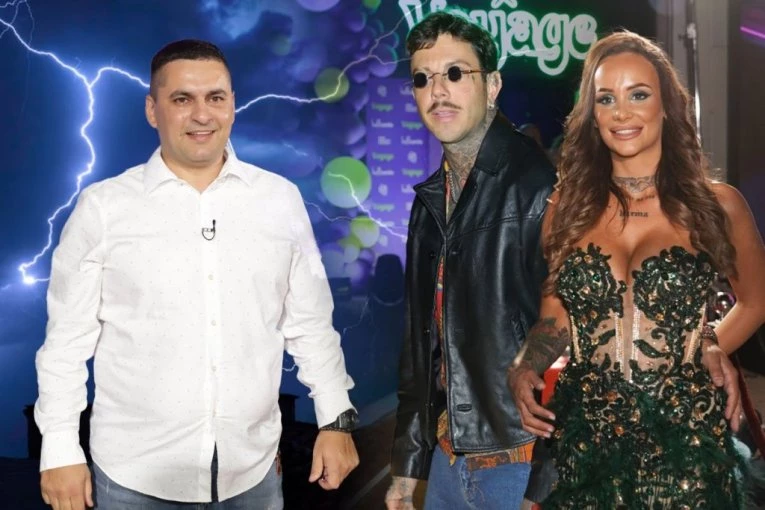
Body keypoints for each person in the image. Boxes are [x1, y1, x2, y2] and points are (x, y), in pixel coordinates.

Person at [34, 39, 359, 510]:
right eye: (182, 99)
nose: (202, 114)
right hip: (133, 480)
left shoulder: (279, 200)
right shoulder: (103, 208)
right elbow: (66, 342)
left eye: (216, 97)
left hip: (252, 477)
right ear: (152, 110)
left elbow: (311, 323)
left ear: (233, 105)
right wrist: (60, 448)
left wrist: (335, 420)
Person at [508, 30, 765, 508]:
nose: (622, 112)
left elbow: (756, 300)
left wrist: (706, 345)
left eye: (639, 94)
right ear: (593, 114)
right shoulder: (566, 209)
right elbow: (555, 317)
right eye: (606, 98)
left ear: (667, 106)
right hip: (590, 447)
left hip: (686, 450)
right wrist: (526, 365)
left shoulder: (717, 205)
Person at [384, 12, 558, 509]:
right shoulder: (429, 201)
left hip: (518, 462)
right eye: (423, 79)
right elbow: (420, 346)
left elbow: (576, 339)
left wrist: (545, 484)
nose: (438, 91)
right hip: (447, 459)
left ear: (493, 85)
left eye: (456, 73)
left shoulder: (540, 186)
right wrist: (406, 469)